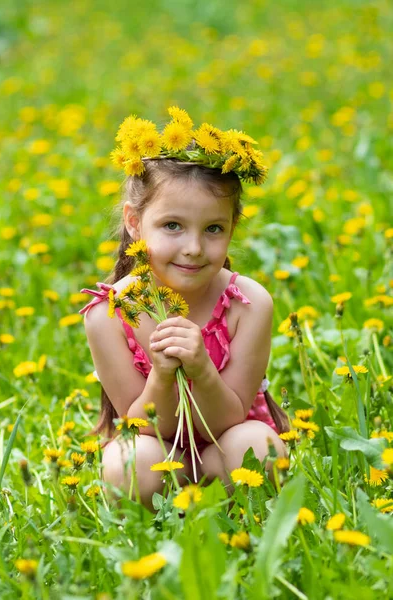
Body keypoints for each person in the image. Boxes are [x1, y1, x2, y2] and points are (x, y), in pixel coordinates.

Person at [80, 107, 289, 511]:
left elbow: (231, 419)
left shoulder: (249, 304)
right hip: (156, 451)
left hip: (225, 448)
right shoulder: (108, 314)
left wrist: (201, 370)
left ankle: (213, 502)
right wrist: (162, 373)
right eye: (172, 226)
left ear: (231, 229)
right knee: (127, 465)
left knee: (259, 448)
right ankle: (168, 507)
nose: (194, 247)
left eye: (213, 229)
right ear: (135, 223)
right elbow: (140, 425)